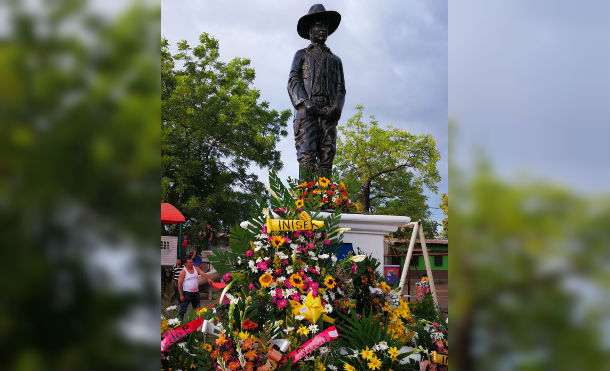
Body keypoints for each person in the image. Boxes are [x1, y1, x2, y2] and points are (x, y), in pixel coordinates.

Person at [288, 4, 345, 181]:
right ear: (310, 30)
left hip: (328, 115)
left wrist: (336, 107)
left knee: (327, 156)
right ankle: (306, 199)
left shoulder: (335, 60)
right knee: (306, 156)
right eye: (318, 25)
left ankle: (326, 199)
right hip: (307, 113)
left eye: (325, 26)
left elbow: (340, 88)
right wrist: (305, 102)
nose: (322, 29)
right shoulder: (301, 55)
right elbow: (293, 80)